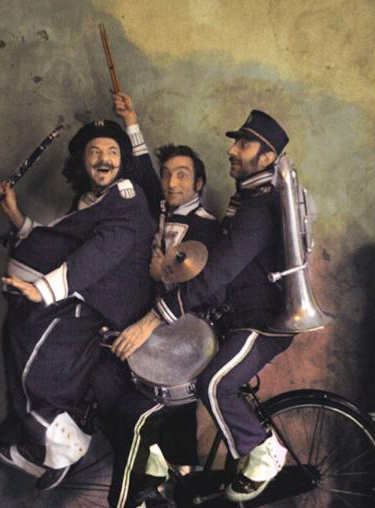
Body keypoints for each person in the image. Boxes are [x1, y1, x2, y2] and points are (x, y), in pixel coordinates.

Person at [112, 109, 295, 502]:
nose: (231, 150)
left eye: (243, 144)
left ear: (266, 157)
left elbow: (219, 273)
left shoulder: (258, 208)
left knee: (213, 384)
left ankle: (265, 451)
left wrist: (154, 319)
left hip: (262, 323)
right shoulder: (247, 198)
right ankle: (166, 463)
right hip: (238, 319)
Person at [0, 119, 158, 490]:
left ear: (123, 160)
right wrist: (16, 217)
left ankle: (60, 439)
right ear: (82, 161)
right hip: (87, 299)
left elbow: (100, 254)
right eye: (94, 152)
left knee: (31, 354)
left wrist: (43, 290)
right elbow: (63, 242)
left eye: (112, 152)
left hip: (107, 310)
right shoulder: (94, 201)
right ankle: (53, 443)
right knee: (20, 337)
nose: (104, 159)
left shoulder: (127, 198)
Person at [98, 94, 224, 507]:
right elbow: (144, 173)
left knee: (151, 411)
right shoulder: (164, 209)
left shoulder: (206, 228)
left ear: (199, 184)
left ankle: (167, 476)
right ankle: (173, 475)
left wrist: (161, 273)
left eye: (182, 176)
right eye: (168, 175)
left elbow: (203, 287)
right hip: (159, 329)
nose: (172, 183)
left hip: (188, 333)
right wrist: (131, 120)